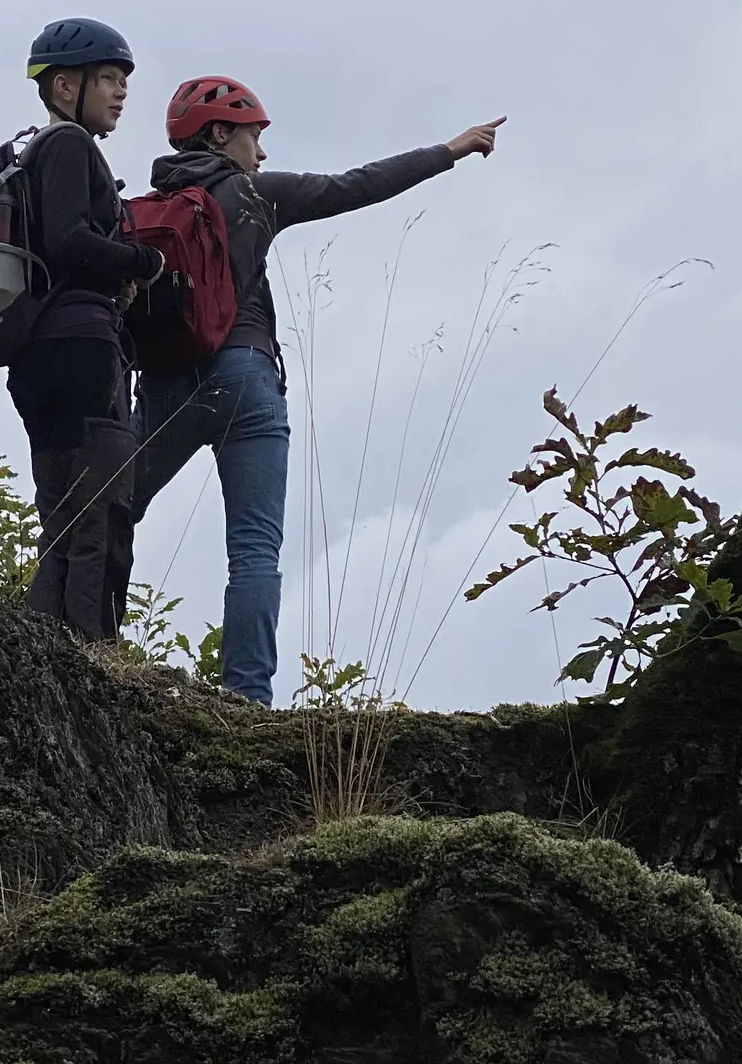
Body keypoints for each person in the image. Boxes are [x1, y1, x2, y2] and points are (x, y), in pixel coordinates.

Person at [133, 78, 504, 705]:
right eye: (253, 136)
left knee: (110, 509)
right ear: (219, 134)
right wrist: (449, 151)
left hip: (166, 384)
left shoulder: (144, 211)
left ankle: (83, 647)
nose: (262, 152)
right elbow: (354, 185)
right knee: (254, 549)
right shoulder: (256, 195)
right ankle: (247, 700)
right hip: (247, 378)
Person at [6, 18, 164, 642]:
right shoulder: (70, 145)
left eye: (124, 80)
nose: (121, 92)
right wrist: (141, 261)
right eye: (108, 78)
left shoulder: (34, 154)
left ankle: (44, 653)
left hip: (38, 354)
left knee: (61, 517)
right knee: (101, 512)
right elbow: (70, 241)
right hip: (83, 352)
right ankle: (91, 658)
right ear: (65, 85)